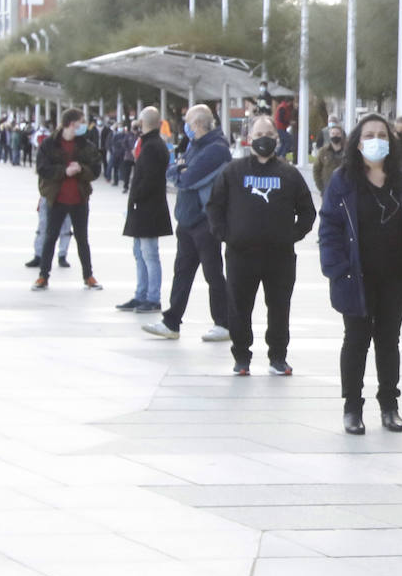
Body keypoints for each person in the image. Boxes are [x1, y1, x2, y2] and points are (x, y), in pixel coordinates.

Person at [318, 114, 402, 434]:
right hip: (356, 278)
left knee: (388, 341)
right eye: (369, 135)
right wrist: (337, 270)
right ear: (357, 141)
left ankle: (389, 405)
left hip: (395, 278)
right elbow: (329, 229)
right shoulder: (343, 180)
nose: (376, 139)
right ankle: (352, 407)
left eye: (382, 134)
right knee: (355, 341)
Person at [207, 114, 316, 376]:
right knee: (239, 308)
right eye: (258, 135)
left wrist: (291, 235)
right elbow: (214, 206)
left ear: (277, 139)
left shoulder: (289, 174)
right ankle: (241, 357)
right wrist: (226, 235)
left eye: (268, 134)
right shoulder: (233, 171)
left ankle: (278, 357)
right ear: (249, 139)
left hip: (279, 257)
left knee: (279, 308)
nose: (263, 139)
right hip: (240, 256)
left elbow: (308, 211)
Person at [143, 104, 232, 342]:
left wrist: (181, 171)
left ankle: (224, 323)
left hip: (206, 221)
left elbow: (187, 179)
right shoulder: (194, 145)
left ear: (198, 125)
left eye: (188, 123)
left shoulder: (217, 149)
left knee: (213, 272)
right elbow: (173, 171)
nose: (186, 128)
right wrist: (180, 170)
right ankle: (171, 321)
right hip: (186, 219)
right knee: (182, 272)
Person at [32, 109, 103, 292]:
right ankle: (43, 276)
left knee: (82, 239)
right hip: (57, 198)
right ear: (71, 124)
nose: (83, 125)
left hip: (79, 198)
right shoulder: (50, 144)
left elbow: (95, 169)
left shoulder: (85, 145)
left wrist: (81, 169)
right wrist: (64, 171)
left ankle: (88, 276)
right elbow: (42, 168)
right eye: (81, 122)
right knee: (50, 237)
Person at [117, 107, 173, 313]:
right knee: (140, 253)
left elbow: (147, 180)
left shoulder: (152, 147)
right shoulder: (151, 144)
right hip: (145, 208)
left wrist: (136, 198)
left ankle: (152, 297)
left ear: (143, 122)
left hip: (147, 209)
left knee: (149, 254)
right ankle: (141, 294)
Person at [26, 199, 72, 270]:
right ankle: (38, 256)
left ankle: (62, 256)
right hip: (48, 196)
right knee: (43, 228)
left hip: (66, 197)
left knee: (65, 228)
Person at [313, 123, 347, 193]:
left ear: (341, 135)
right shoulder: (323, 151)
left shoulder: (347, 152)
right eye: (333, 133)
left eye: (338, 134)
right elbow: (316, 170)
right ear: (329, 135)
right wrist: (321, 188)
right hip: (327, 190)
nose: (335, 136)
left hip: (344, 190)